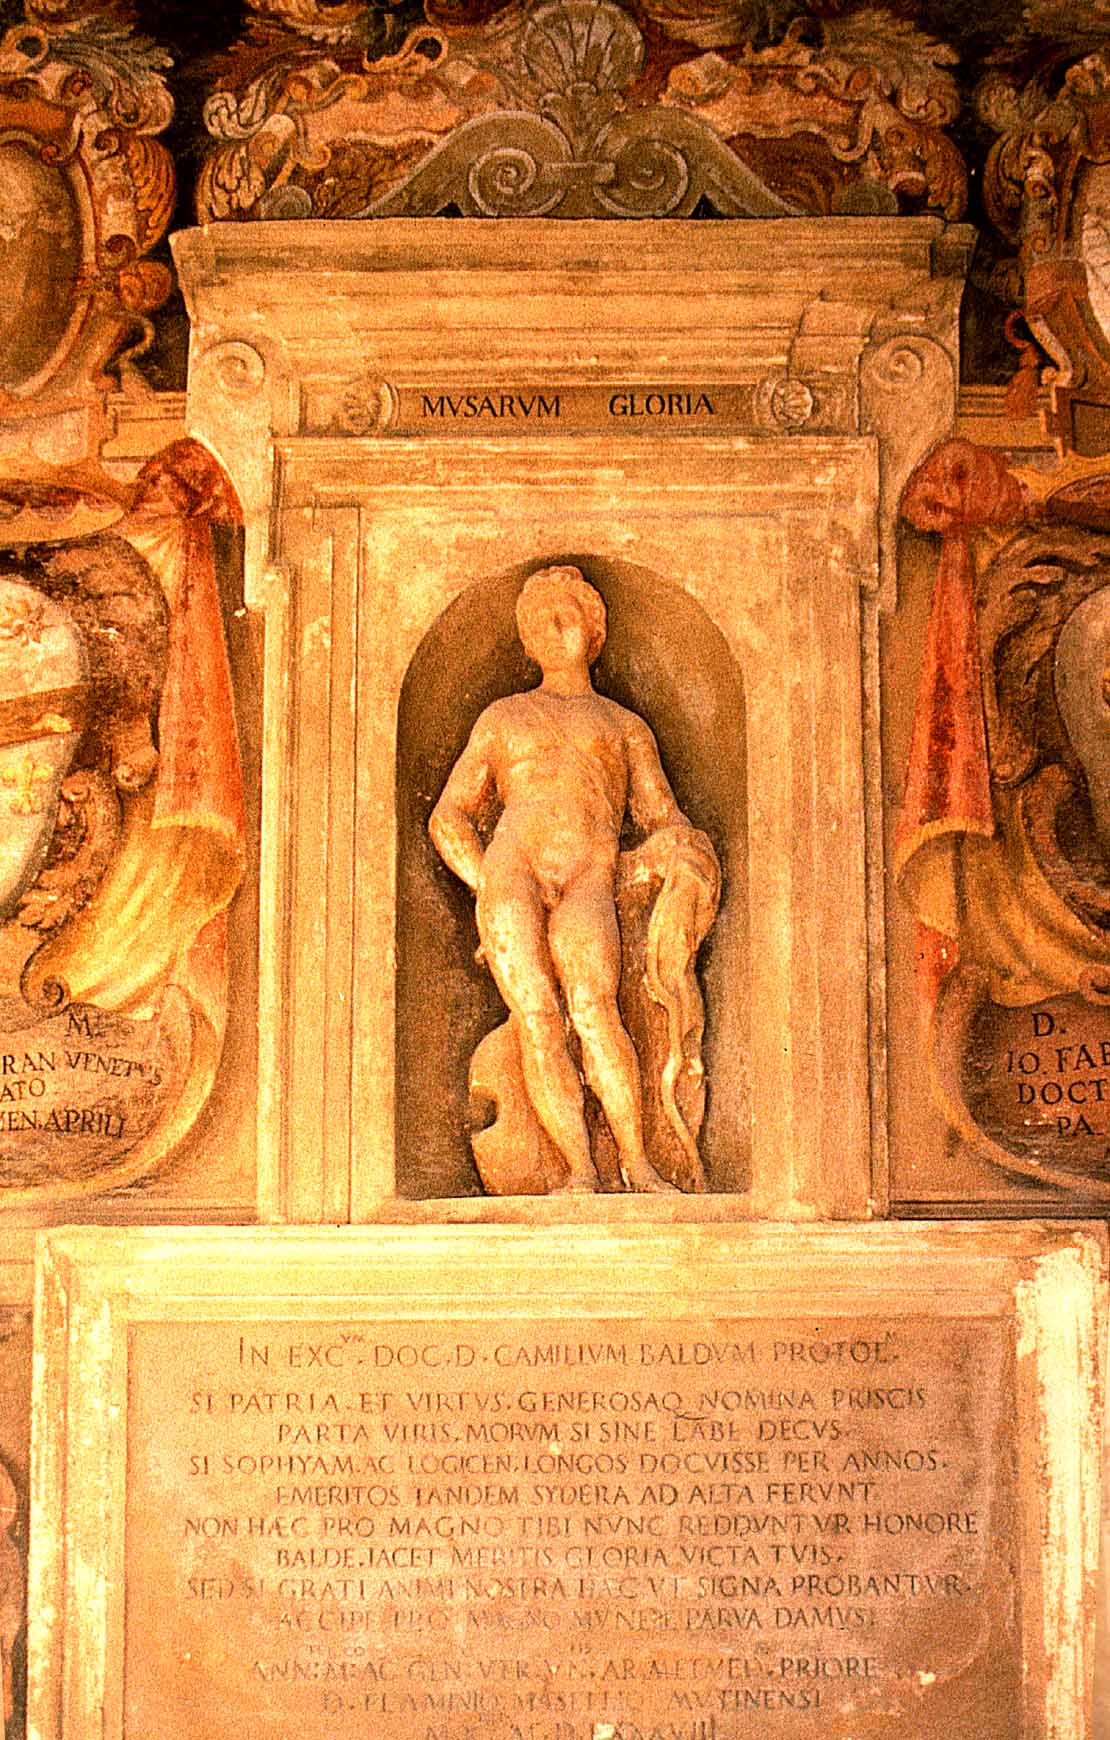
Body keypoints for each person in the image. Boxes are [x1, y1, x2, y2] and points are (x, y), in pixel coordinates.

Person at [429, 565, 707, 1193]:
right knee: (537, 1015)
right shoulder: (503, 717)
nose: (557, 623)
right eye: (541, 616)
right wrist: (488, 886)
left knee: (593, 1007)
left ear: (595, 627)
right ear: (526, 640)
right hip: (511, 865)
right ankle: (579, 1169)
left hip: (590, 869)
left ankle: (635, 1163)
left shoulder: (623, 725)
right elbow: (448, 816)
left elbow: (663, 817)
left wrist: (675, 855)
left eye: (569, 609)